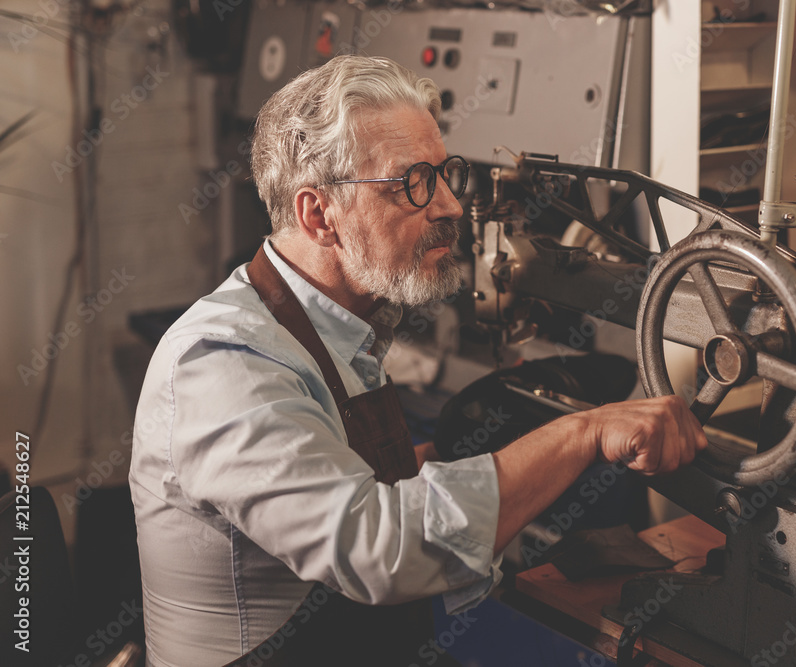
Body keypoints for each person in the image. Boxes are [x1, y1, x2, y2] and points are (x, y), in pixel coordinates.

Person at [128, 54, 707, 666]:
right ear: (318, 214)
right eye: (413, 183)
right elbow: (378, 549)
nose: (452, 206)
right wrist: (583, 432)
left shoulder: (338, 325)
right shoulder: (225, 364)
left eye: (444, 174)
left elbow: (340, 484)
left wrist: (467, 454)